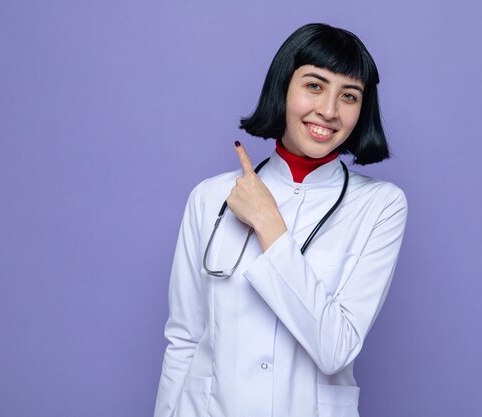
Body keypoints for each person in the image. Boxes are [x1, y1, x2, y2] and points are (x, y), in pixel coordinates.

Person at [154, 23, 407, 417]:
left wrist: (268, 222)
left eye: (349, 96)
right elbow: (184, 339)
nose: (329, 110)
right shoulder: (210, 197)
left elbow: (334, 349)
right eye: (314, 86)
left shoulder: (380, 206)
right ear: (282, 87)